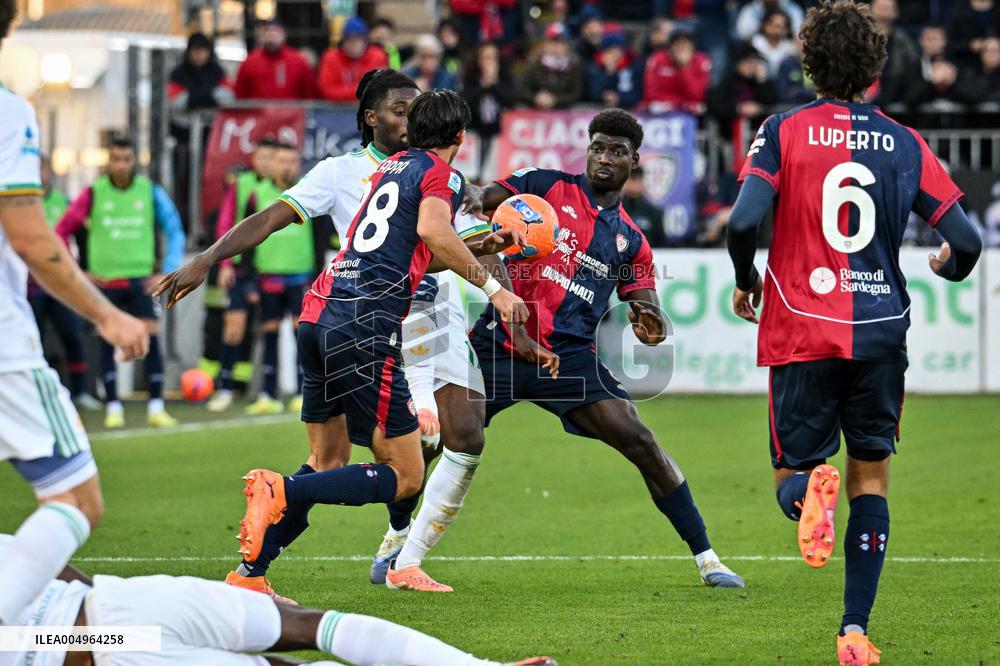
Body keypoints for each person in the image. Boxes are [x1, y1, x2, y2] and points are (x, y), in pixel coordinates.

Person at [153, 79, 527, 601]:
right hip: (368, 325)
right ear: (458, 136)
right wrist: (494, 288)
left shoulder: (388, 173)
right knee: (406, 475)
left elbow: (416, 245)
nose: (404, 118)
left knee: (328, 460)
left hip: (321, 313)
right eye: (397, 108)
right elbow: (431, 234)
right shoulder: (424, 173)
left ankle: (249, 573)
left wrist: (484, 241)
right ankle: (286, 493)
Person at [384, 109, 746, 592]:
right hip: (498, 347)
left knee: (641, 441)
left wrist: (649, 324)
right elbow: (479, 205)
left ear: (634, 160)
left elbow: (651, 317)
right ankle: (395, 540)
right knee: (436, 441)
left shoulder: (631, 243)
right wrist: (462, 191)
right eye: (598, 147)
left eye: (617, 151)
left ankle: (708, 559)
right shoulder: (543, 186)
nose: (605, 157)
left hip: (568, 361)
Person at [725, 3, 983, 664]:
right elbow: (966, 239)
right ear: (874, 68)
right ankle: (854, 632)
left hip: (803, 327)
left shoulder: (782, 130)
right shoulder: (904, 141)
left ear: (809, 62)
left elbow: (741, 221)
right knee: (872, 479)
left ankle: (809, 494)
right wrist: (951, 269)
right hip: (879, 332)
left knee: (795, 471)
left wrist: (746, 276)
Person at [0, 0, 149, 628]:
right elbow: (33, 240)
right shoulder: (8, 112)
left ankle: (74, 616)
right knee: (76, 502)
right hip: (4, 350)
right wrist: (107, 316)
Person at [0, 534, 556, 666]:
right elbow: (47, 562)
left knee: (302, 630)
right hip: (121, 608)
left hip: (103, 634)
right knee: (306, 627)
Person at [56, 136, 185, 429]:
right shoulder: (93, 193)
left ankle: (156, 406)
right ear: (109, 162)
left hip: (142, 281)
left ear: (134, 162)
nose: (122, 165)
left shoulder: (150, 192)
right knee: (107, 341)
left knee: (150, 337)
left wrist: (167, 269)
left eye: (127, 159)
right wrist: (78, 271)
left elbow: (175, 229)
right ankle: (113, 406)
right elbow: (62, 230)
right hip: (106, 284)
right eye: (116, 159)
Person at [239, 143, 313, 415]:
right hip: (268, 276)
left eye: (291, 161)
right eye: (281, 161)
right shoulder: (257, 195)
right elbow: (246, 234)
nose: (286, 166)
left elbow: (318, 236)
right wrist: (247, 278)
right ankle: (267, 393)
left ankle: (301, 392)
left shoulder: (307, 193)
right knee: (269, 333)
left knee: (301, 335)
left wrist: (317, 275)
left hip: (300, 275)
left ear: (298, 164)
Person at [206, 139, 278, 412]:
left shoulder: (285, 189)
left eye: (271, 158)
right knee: (233, 328)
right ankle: (225, 388)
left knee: (270, 328)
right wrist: (224, 262)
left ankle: (266, 390)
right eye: (262, 157)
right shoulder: (242, 185)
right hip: (241, 267)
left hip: (270, 268)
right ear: (255, 160)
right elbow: (226, 222)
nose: (267, 163)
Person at [27, 155, 101, 410]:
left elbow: (84, 235)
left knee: (73, 336)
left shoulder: (64, 203)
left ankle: (80, 392)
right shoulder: (18, 206)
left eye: (41, 168)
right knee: (30, 342)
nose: (37, 174)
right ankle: (30, 397)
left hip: (61, 287)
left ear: (48, 171)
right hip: (30, 286)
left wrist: (86, 269)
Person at [235, 19, 316, 100]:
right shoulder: (250, 62)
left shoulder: (298, 61)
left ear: (283, 35)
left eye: (275, 32)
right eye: (267, 32)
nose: (271, 36)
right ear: (261, 36)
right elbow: (240, 92)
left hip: (291, 111)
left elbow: (309, 91)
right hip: (258, 111)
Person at [318, 17, 389, 103]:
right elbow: (327, 90)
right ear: (343, 41)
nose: (354, 45)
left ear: (365, 41)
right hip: (336, 111)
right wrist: (359, 90)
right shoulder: (331, 57)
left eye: (358, 41)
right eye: (350, 41)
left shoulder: (377, 56)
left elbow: (378, 90)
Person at [642, 27, 711, 114]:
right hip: (662, 109)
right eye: (677, 43)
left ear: (692, 46)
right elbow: (650, 93)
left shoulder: (701, 61)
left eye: (685, 43)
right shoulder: (657, 59)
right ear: (670, 46)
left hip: (689, 111)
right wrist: (675, 103)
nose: (681, 47)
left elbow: (697, 96)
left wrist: (684, 67)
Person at [518, 23, 584, 109]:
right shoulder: (534, 64)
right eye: (551, 42)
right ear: (544, 45)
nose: (555, 47)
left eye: (560, 43)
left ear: (567, 46)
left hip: (566, 112)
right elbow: (523, 90)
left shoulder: (574, 66)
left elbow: (577, 94)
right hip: (537, 111)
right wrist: (536, 98)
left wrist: (555, 100)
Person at [586, 31, 645, 109]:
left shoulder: (633, 65)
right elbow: (592, 92)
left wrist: (619, 97)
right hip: (599, 106)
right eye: (610, 51)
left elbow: (637, 93)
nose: (616, 54)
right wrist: (609, 73)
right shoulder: (594, 66)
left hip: (627, 107)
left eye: (618, 50)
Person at [620, 165, 667, 248]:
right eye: (632, 178)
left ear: (643, 181)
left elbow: (662, 245)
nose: (635, 183)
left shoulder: (654, 213)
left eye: (638, 179)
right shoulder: (613, 211)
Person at [750, 9, 795, 78]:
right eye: (775, 26)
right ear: (765, 25)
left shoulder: (790, 48)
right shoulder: (755, 43)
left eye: (782, 27)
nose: (777, 30)